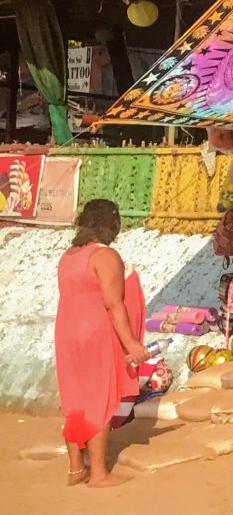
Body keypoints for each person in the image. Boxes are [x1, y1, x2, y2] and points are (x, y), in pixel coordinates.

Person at [54, 198, 147, 487]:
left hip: (67, 331)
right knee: (99, 398)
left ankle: (75, 468)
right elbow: (113, 304)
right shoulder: (105, 256)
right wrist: (131, 344)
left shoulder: (70, 255)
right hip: (94, 333)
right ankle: (98, 473)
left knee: (75, 399)